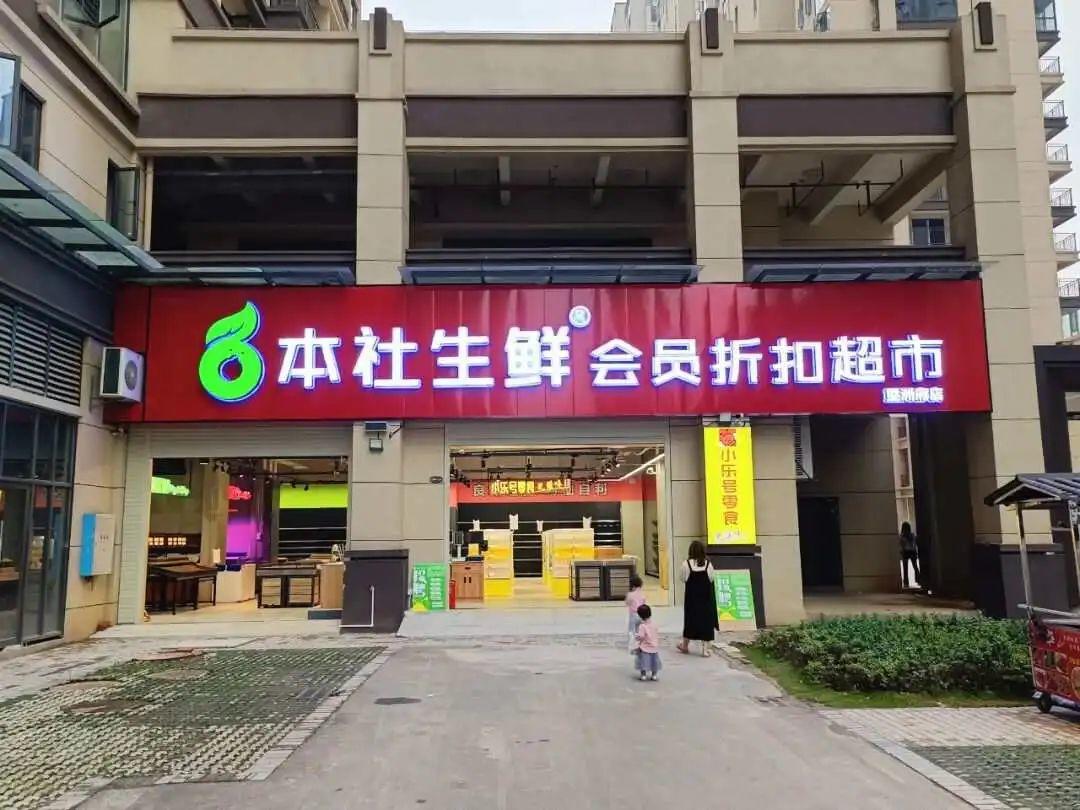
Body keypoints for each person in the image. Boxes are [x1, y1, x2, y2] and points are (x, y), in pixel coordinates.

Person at [677, 540, 718, 657]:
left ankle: (685, 645)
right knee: (706, 622)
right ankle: (705, 649)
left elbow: (682, 578)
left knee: (690, 621)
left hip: (691, 599)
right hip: (706, 599)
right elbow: (712, 578)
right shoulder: (708, 564)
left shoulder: (686, 564)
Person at [634, 604, 661, 681]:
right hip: (654, 647)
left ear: (640, 616)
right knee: (654, 662)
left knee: (643, 662)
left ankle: (643, 675)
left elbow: (641, 636)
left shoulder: (642, 626)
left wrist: (636, 637)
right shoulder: (654, 624)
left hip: (645, 648)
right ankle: (654, 675)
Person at [625, 575, 646, 652]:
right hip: (641, 615)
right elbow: (644, 603)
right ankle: (639, 646)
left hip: (633, 615)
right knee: (639, 631)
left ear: (633, 586)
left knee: (631, 631)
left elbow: (627, 603)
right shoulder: (642, 594)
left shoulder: (630, 594)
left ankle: (631, 646)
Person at [899, 522, 921, 589]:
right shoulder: (912, 535)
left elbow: (901, 545)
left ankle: (906, 582)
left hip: (905, 552)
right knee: (915, 567)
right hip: (912, 551)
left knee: (905, 568)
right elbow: (915, 543)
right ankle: (919, 580)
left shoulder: (902, 536)